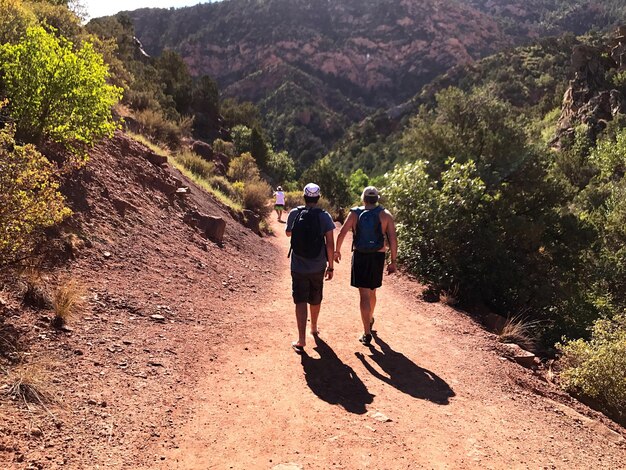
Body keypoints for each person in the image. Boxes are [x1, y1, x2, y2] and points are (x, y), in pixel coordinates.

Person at [334, 186, 397, 346]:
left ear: (363, 198)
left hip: (361, 255)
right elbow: (393, 239)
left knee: (363, 294)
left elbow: (342, 232)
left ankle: (367, 333)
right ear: (377, 198)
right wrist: (393, 261)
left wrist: (337, 251)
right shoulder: (385, 214)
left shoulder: (355, 213)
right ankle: (370, 318)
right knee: (372, 290)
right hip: (378, 255)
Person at [286, 183, 335, 353]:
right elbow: (330, 243)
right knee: (315, 297)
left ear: (304, 197)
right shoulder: (325, 216)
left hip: (298, 265)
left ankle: (301, 339)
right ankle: (313, 327)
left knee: (300, 300)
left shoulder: (295, 213)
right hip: (318, 265)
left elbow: (288, 233)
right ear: (318, 197)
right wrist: (331, 266)